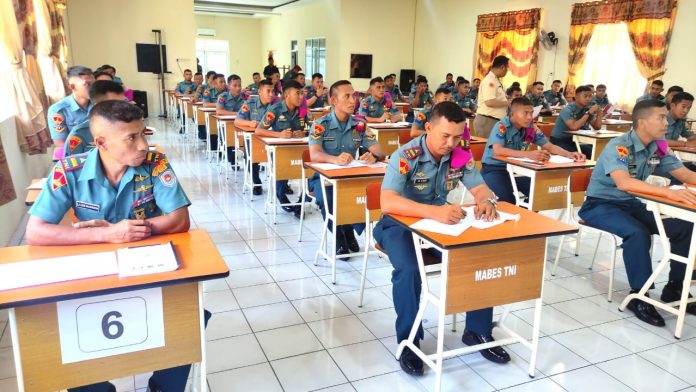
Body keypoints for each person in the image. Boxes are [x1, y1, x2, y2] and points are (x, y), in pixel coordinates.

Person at [26, 100, 211, 392]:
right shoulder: (68, 170)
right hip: (94, 271)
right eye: (132, 138)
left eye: (144, 134)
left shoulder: (154, 163)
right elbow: (36, 232)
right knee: (69, 330)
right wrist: (107, 234)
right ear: (101, 142)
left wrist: (134, 230)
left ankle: (163, 387)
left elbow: (179, 219)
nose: (144, 145)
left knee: (189, 315)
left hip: (147, 265)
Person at [375, 101, 509, 376]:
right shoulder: (406, 155)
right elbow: (388, 202)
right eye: (445, 136)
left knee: (478, 257)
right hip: (399, 225)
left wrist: (487, 201)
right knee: (410, 270)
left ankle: (478, 331)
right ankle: (409, 341)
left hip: (441, 225)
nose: (451, 143)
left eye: (457, 136)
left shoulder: (460, 155)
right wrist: (434, 212)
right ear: (428, 128)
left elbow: (481, 188)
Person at [578, 99, 696, 327]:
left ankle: (675, 288)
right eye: (661, 117)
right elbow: (623, 183)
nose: (666, 121)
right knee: (637, 232)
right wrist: (668, 193)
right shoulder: (619, 146)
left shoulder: (658, 147)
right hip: (600, 205)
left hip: (632, 205)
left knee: (685, 227)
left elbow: (686, 176)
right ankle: (640, 296)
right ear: (642, 122)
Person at [308, 80, 385, 257]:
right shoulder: (321, 124)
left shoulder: (359, 125)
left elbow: (379, 150)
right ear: (334, 101)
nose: (353, 101)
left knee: (357, 199)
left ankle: (348, 228)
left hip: (349, 176)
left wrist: (373, 156)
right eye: (347, 96)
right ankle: (340, 236)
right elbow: (314, 154)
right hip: (322, 178)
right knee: (325, 200)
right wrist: (334, 159)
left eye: (354, 96)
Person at [480, 97, 585, 204]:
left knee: (539, 194)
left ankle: (523, 213)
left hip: (517, 170)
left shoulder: (530, 127)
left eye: (531, 113)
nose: (530, 117)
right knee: (507, 200)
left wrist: (569, 154)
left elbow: (549, 146)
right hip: (494, 169)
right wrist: (529, 154)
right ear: (512, 114)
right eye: (525, 113)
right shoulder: (501, 126)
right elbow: (498, 150)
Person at [255, 80, 309, 216]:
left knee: (311, 174)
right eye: (297, 93)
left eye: (302, 93)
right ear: (286, 95)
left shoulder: (303, 110)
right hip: (280, 151)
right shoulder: (275, 109)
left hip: (299, 150)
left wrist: (305, 133)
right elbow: (259, 131)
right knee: (282, 172)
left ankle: (300, 203)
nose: (301, 97)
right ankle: (282, 197)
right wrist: (279, 134)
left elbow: (315, 129)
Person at [235, 80, 276, 196]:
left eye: (273, 91)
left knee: (282, 155)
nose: (271, 94)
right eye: (268, 91)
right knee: (252, 155)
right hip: (253, 138)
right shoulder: (250, 103)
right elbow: (237, 121)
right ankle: (256, 182)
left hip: (271, 138)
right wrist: (249, 123)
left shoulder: (276, 105)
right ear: (260, 91)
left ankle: (281, 184)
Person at [63, 80, 125, 157]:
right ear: (97, 106)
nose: (122, 108)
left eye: (123, 103)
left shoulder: (128, 128)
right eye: (114, 104)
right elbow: (70, 166)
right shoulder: (79, 135)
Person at [47, 66, 94, 159]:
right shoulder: (58, 110)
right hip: (75, 154)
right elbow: (61, 143)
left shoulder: (99, 104)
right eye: (88, 84)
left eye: (94, 84)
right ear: (73, 87)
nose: (93, 88)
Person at [549, 85, 602, 157]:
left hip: (573, 140)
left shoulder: (587, 108)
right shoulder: (567, 109)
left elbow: (597, 127)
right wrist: (588, 113)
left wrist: (599, 114)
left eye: (590, 96)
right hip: (558, 140)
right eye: (585, 96)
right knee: (578, 154)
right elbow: (574, 127)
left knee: (594, 151)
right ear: (576, 96)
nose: (588, 99)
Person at [474, 56, 510, 139]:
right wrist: (508, 103)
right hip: (487, 121)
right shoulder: (490, 80)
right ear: (502, 67)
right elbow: (490, 102)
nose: (507, 71)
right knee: (485, 148)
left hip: (493, 121)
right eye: (507, 68)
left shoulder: (496, 80)